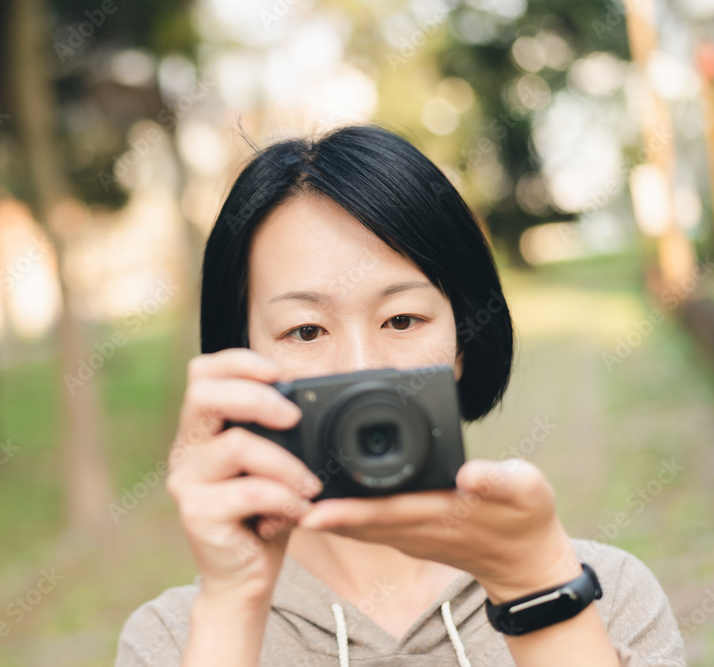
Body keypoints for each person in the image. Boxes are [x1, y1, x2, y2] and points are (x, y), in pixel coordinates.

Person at [115, 125, 685, 666]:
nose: (364, 370)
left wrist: (535, 588)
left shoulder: (607, 597)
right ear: (241, 363)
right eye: (306, 330)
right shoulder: (172, 639)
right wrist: (233, 604)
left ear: (462, 339)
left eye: (403, 319)